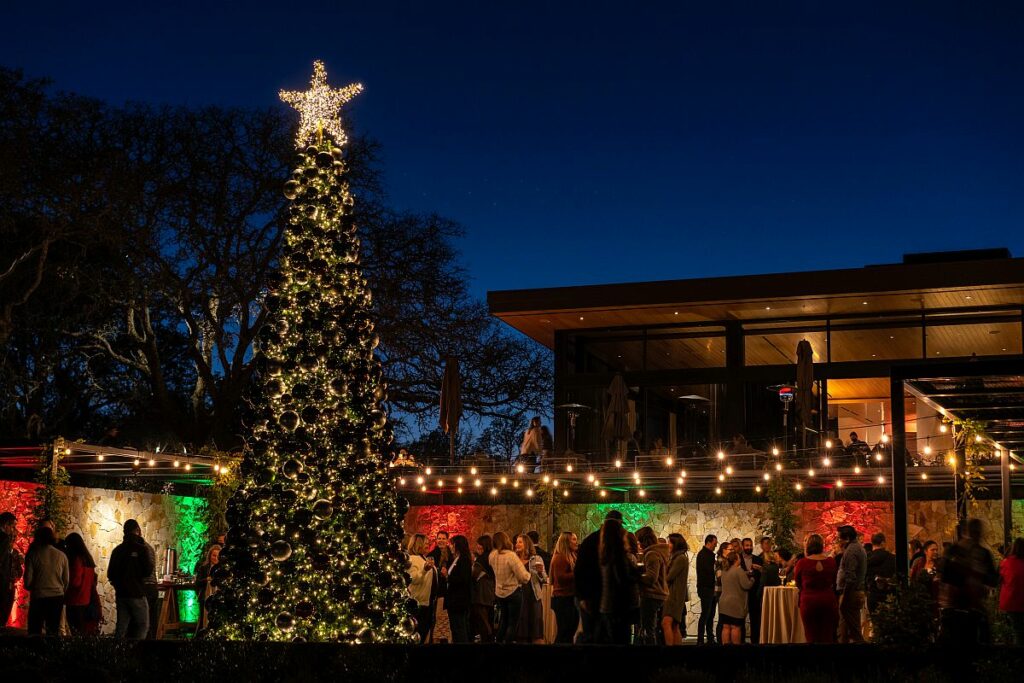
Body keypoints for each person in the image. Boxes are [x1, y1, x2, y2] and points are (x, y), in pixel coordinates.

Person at [938, 518, 998, 644]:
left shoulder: (953, 551)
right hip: (964, 606)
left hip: (960, 606)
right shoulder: (980, 553)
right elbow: (992, 579)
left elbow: (943, 575)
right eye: (975, 533)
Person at [575, 509, 623, 643]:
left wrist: (582, 596)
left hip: (593, 596)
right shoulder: (613, 543)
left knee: (593, 634)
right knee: (599, 635)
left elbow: (579, 570)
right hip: (598, 597)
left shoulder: (589, 541)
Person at [107, 519, 156, 639]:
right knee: (143, 625)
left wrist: (118, 585)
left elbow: (110, 574)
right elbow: (148, 571)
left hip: (122, 594)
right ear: (138, 530)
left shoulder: (117, 550)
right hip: (137, 592)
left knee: (121, 628)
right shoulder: (142, 549)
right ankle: (136, 652)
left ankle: (118, 653)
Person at [597, 517, 639, 644]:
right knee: (622, 642)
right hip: (620, 606)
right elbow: (623, 580)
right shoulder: (619, 557)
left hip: (607, 605)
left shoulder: (604, 554)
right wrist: (638, 574)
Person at [23, 525, 68, 635]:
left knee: (35, 631)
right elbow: (66, 580)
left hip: (39, 596)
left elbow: (28, 581)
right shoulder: (62, 556)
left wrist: (33, 586)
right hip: (57, 597)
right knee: (53, 631)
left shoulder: (33, 554)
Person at [794, 534, 839, 643]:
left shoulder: (802, 563)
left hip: (808, 601)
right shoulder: (831, 562)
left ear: (808, 546)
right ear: (821, 546)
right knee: (827, 635)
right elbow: (835, 581)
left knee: (811, 636)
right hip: (828, 600)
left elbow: (798, 582)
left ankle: (813, 659)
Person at [490, 531, 531, 643]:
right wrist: (529, 574)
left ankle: (498, 644)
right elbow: (524, 577)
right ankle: (508, 649)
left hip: (499, 592)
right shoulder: (511, 556)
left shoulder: (492, 555)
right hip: (513, 592)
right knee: (512, 624)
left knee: (503, 620)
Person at [636, 526, 670, 644]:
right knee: (650, 627)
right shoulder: (658, 552)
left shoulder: (651, 554)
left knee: (648, 629)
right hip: (657, 594)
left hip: (652, 594)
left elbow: (651, 578)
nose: (638, 544)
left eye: (639, 540)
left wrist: (636, 576)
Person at [515, 533, 548, 643]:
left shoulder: (536, 558)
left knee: (535, 630)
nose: (517, 544)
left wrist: (540, 572)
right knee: (521, 630)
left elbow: (544, 579)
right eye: (516, 542)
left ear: (526, 544)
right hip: (519, 595)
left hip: (533, 595)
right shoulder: (513, 559)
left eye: (520, 542)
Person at [836, 525, 867, 643]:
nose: (838, 541)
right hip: (855, 592)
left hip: (850, 593)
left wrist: (845, 597)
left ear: (847, 538)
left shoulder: (851, 551)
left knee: (854, 630)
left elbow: (850, 577)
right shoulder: (857, 548)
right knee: (845, 628)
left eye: (840, 538)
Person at [63, 532, 98, 635]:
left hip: (75, 601)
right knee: (83, 633)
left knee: (76, 632)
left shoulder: (77, 559)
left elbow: (75, 582)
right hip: (86, 601)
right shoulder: (88, 559)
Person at [718, 550, 754, 644]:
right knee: (735, 627)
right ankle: (736, 652)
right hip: (735, 604)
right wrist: (752, 579)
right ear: (735, 560)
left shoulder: (724, 570)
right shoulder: (739, 570)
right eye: (739, 558)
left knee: (725, 627)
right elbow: (746, 585)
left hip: (723, 602)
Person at [550, 531, 579, 644]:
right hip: (563, 599)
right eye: (574, 539)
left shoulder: (571, 555)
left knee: (569, 631)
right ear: (566, 542)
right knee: (564, 631)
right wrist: (578, 572)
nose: (576, 542)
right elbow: (561, 577)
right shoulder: (561, 557)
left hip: (569, 597)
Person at [406, 534, 435, 643]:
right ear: (418, 544)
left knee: (424, 634)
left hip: (426, 603)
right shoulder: (413, 559)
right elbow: (413, 579)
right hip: (418, 603)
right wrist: (425, 570)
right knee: (418, 635)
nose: (428, 545)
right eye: (426, 542)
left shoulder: (424, 558)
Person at [444, 535, 473, 643]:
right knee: (455, 628)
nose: (450, 546)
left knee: (459, 627)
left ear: (457, 545)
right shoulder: (456, 559)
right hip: (454, 599)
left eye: (452, 544)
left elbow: (463, 579)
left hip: (459, 600)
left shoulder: (464, 560)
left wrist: (447, 576)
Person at [662, 533, 690, 645]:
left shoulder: (680, 558)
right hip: (675, 595)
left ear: (675, 544)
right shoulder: (678, 557)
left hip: (674, 596)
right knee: (674, 626)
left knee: (666, 623)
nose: (668, 545)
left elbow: (669, 577)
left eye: (670, 542)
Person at [0, 511, 24, 628]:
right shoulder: (3, 539)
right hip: (3, 585)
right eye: (13, 526)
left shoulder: (13, 552)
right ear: (5, 525)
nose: (14, 530)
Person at [999, 538, 1024, 645]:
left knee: (1017, 630)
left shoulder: (1006, 562)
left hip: (1010, 602)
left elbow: (1000, 579)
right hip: (1021, 601)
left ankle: (1017, 656)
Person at [471, 535, 496, 643]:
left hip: (481, 593)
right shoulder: (492, 556)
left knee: (483, 621)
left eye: (479, 544)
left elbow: (473, 575)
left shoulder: (481, 559)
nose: (477, 546)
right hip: (491, 591)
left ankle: (487, 642)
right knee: (489, 619)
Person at [695, 534, 718, 645]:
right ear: (709, 542)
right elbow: (707, 573)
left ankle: (709, 637)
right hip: (706, 588)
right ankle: (700, 639)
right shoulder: (704, 555)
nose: (716, 545)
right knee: (706, 614)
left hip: (709, 588)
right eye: (715, 543)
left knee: (710, 614)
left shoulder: (708, 555)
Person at [194, 543, 221, 633]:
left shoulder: (222, 569)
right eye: (214, 555)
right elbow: (197, 583)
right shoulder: (203, 568)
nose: (215, 558)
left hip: (218, 599)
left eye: (218, 556)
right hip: (204, 598)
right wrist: (206, 579)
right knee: (203, 620)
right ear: (210, 556)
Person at [742, 537, 764, 644]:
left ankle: (755, 642)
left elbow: (763, 576)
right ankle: (740, 642)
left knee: (755, 619)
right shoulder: (738, 559)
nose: (749, 547)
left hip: (755, 594)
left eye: (750, 545)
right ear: (743, 546)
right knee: (740, 619)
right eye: (746, 545)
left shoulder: (758, 559)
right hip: (741, 593)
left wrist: (760, 569)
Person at [714, 540, 734, 644]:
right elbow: (719, 577)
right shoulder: (720, 561)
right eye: (730, 549)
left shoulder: (727, 561)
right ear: (723, 550)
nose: (732, 551)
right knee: (723, 618)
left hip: (726, 592)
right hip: (721, 592)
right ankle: (720, 640)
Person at [910, 540, 942, 605]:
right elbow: (912, 579)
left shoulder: (939, 564)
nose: (935, 552)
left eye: (936, 550)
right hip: (920, 599)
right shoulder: (918, 562)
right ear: (925, 551)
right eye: (932, 550)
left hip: (934, 599)